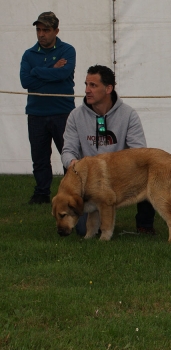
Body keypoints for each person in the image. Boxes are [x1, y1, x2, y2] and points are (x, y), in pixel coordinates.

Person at [61, 65, 156, 235]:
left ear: (108, 88)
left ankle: (144, 224)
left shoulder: (128, 114)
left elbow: (139, 151)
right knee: (83, 230)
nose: (87, 90)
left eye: (93, 85)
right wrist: (73, 164)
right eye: (86, 84)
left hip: (122, 175)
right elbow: (68, 150)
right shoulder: (75, 116)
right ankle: (94, 223)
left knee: (147, 170)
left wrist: (114, 167)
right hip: (89, 182)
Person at [20, 12, 75, 204]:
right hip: (36, 113)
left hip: (63, 112)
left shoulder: (68, 51)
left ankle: (73, 191)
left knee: (69, 154)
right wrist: (52, 69)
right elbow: (25, 81)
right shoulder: (29, 54)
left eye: (46, 30)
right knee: (40, 156)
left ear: (56, 31)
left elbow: (64, 74)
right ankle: (42, 192)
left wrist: (38, 73)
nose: (41, 34)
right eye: (38, 30)